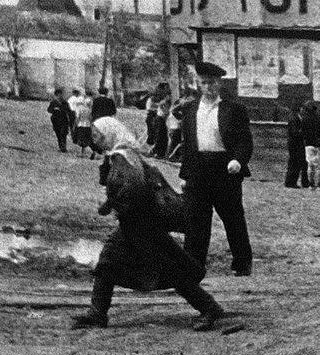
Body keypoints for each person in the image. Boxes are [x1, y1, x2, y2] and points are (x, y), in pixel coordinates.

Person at [71, 138, 242, 333]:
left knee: (167, 268)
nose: (96, 139)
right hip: (136, 224)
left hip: (139, 225)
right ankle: (97, 313)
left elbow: (134, 189)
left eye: (99, 136)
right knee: (108, 263)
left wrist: (113, 204)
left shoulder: (122, 158)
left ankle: (210, 308)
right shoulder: (122, 157)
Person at [174, 61, 253, 277]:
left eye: (212, 83)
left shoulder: (233, 109)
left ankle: (242, 262)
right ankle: (193, 265)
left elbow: (244, 141)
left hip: (225, 169)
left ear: (219, 84)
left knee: (232, 217)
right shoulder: (190, 110)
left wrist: (238, 160)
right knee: (195, 219)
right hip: (198, 169)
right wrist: (185, 175)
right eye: (203, 83)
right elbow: (189, 144)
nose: (208, 87)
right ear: (198, 84)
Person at [301, 101, 320, 189]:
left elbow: (303, 132)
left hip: (309, 144)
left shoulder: (304, 119)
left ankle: (311, 184)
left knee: (310, 165)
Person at [284, 104, 309, 189]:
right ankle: (291, 182)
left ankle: (290, 181)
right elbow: (295, 132)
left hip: (294, 143)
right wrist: (303, 132)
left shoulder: (293, 117)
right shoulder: (295, 118)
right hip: (296, 144)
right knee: (295, 163)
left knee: (293, 162)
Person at [47, 88, 71, 153]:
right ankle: (60, 146)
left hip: (64, 120)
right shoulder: (53, 102)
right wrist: (54, 109)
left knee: (64, 133)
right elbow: (49, 110)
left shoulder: (65, 102)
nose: (61, 96)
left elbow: (69, 110)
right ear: (56, 95)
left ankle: (64, 147)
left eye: (61, 94)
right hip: (55, 120)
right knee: (58, 134)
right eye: (59, 94)